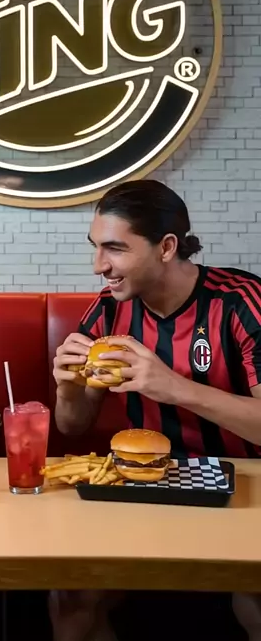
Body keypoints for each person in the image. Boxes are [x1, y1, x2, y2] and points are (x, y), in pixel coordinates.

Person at [52, 178, 261, 641]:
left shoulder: (241, 302)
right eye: (95, 247)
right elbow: (73, 427)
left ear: (166, 247)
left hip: (244, 486)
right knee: (71, 595)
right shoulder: (108, 313)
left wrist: (174, 387)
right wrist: (67, 388)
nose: (99, 266)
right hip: (142, 482)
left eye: (115, 248)